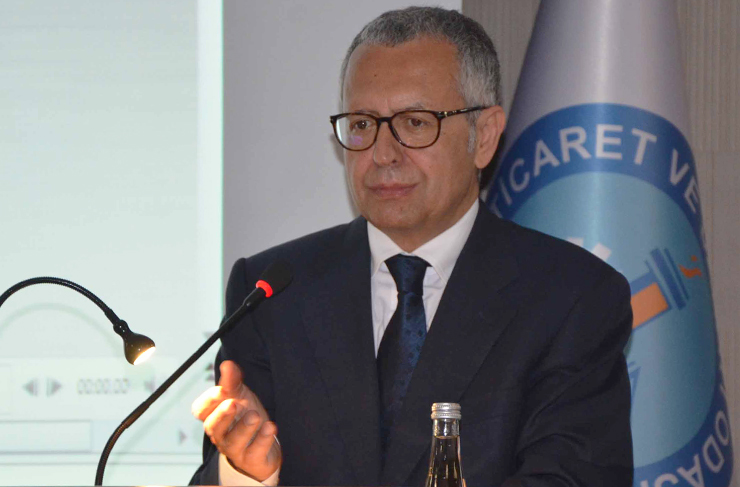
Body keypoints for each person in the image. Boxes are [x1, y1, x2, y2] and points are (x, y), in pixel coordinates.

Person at [190, 7, 633, 487]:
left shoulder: (571, 297)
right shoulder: (273, 293)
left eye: (416, 123)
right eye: (362, 124)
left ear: (484, 136)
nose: (382, 154)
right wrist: (248, 472)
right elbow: (222, 469)